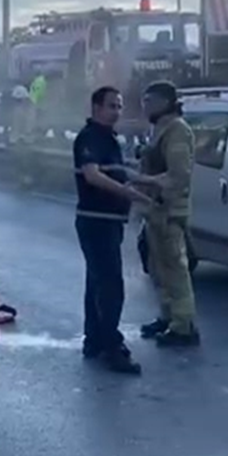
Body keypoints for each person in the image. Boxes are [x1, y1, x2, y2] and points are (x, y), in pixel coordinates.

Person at [73, 86, 152, 374]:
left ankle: (93, 339)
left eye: (119, 106)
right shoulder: (89, 138)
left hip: (110, 221)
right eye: (111, 106)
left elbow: (118, 171)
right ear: (96, 108)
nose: (117, 111)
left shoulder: (109, 139)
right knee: (110, 286)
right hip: (96, 221)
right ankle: (111, 346)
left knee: (96, 282)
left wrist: (150, 182)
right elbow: (93, 175)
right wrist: (129, 194)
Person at [130, 80, 200, 346]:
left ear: (163, 102)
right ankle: (168, 316)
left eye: (148, 101)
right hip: (155, 210)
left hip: (169, 210)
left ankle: (184, 325)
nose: (144, 106)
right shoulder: (160, 128)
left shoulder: (177, 131)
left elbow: (178, 175)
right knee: (159, 269)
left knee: (175, 269)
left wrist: (144, 181)